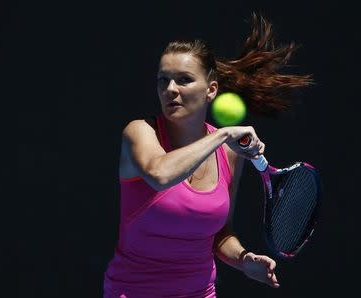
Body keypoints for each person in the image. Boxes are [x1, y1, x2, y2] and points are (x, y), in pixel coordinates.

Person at [103, 13, 312, 298]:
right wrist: (222, 135)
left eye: (184, 80)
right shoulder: (140, 132)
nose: (170, 90)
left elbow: (219, 234)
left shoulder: (229, 153)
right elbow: (160, 174)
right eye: (163, 80)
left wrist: (244, 260)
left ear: (211, 90)